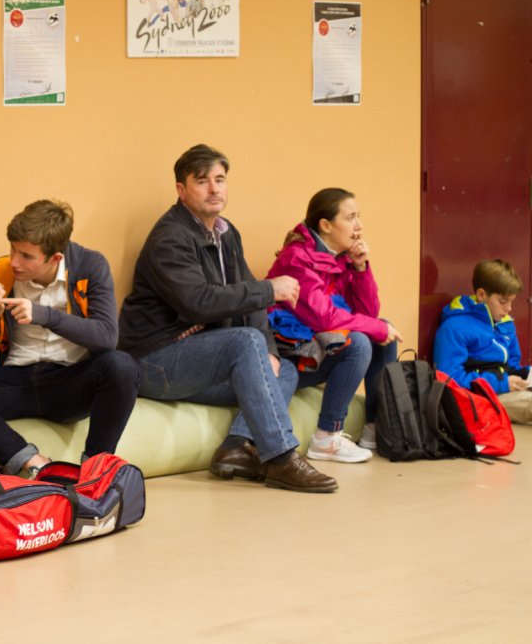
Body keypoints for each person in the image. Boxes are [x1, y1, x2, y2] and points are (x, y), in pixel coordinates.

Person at [118, 143, 338, 493]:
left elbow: (250, 297)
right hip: (156, 360)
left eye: (219, 180)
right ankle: (282, 458)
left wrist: (269, 350)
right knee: (245, 341)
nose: (214, 189)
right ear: (181, 190)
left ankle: (236, 447)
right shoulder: (170, 238)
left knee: (283, 367)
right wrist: (269, 290)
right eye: (202, 181)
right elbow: (198, 302)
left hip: (199, 356)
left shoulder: (225, 232)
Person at [0, 200, 140, 477]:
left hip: (68, 382)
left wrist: (45, 315)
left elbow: (106, 338)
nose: (14, 261)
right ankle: (29, 461)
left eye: (26, 256)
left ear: (54, 258)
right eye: (13, 249)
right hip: (14, 381)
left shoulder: (90, 266)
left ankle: (95, 470)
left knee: (122, 366)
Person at [266, 188, 402, 462]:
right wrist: (375, 328)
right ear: (326, 225)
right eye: (350, 218)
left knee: (380, 330)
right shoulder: (297, 259)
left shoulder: (340, 258)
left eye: (359, 217)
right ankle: (326, 436)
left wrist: (361, 269)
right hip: (294, 357)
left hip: (320, 348)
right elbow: (324, 318)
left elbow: (368, 314)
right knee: (359, 341)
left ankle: (374, 428)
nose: (359, 226)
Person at [433, 259, 532, 425]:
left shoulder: (505, 323)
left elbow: (512, 366)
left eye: (512, 301)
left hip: (506, 388)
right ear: (481, 295)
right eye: (502, 301)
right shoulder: (454, 327)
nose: (509, 309)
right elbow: (449, 381)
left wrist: (526, 374)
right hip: (479, 397)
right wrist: (501, 383)